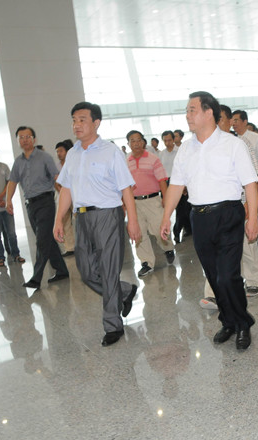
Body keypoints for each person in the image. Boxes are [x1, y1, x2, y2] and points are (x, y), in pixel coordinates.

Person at [160, 91, 258, 350]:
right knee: (213, 277)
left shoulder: (232, 144)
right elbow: (176, 185)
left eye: (192, 110)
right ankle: (229, 320)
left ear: (208, 112)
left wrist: (253, 219)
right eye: (187, 110)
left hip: (228, 214)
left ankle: (243, 323)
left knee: (227, 276)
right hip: (199, 218)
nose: (187, 115)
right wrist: (166, 216)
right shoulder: (185, 149)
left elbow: (250, 182)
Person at [54, 101, 141, 347]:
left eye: (82, 119)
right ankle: (125, 291)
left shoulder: (110, 151)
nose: (76, 124)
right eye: (74, 120)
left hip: (107, 216)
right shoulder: (73, 154)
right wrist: (59, 219)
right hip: (81, 218)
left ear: (96, 123)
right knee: (87, 272)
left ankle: (113, 325)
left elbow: (126, 188)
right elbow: (66, 189)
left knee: (109, 270)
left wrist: (132, 221)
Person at [201, 105, 258, 309]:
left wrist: (249, 207)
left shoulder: (241, 144)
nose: (216, 123)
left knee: (247, 245)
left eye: (220, 119)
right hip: (215, 209)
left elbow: (252, 179)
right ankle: (212, 293)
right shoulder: (205, 146)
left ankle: (252, 280)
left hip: (240, 204)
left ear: (229, 122)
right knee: (217, 252)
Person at [7, 126, 69, 289]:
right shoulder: (18, 162)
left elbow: (56, 178)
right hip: (30, 205)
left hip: (45, 203)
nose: (24, 140)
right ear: (17, 141)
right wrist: (8, 200)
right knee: (47, 239)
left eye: (28, 136)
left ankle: (36, 277)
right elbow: (12, 181)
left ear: (34, 139)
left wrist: (65, 196)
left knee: (41, 241)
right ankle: (62, 270)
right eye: (21, 137)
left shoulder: (44, 157)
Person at [126, 129, 175, 277]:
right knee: (139, 233)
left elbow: (162, 180)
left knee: (158, 229)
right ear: (128, 144)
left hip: (153, 200)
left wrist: (165, 199)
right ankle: (146, 263)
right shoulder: (126, 161)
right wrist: (124, 203)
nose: (136, 143)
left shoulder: (153, 159)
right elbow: (124, 185)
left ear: (143, 142)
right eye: (133, 141)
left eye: (139, 140)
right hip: (134, 203)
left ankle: (168, 248)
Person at [232, 110, 258, 223]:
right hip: (239, 182)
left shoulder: (255, 138)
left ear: (245, 121)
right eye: (232, 120)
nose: (233, 123)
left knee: (256, 210)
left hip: (256, 179)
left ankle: (256, 231)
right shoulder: (232, 138)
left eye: (236, 120)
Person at [55, 140, 75, 256]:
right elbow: (56, 182)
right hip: (63, 197)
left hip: (75, 196)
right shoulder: (56, 166)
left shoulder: (73, 163)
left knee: (79, 220)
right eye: (57, 151)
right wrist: (63, 193)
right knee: (65, 222)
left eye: (61, 151)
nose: (59, 154)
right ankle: (69, 247)